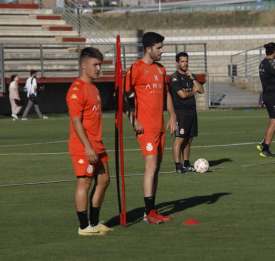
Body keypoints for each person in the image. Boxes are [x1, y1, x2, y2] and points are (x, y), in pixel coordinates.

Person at [123, 32, 178, 224]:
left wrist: (173, 116)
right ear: (148, 49)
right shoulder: (135, 69)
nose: (162, 51)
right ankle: (148, 214)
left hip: (160, 126)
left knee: (157, 169)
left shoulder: (161, 70)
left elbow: (167, 95)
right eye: (159, 48)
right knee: (151, 167)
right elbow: (121, 96)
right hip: (145, 127)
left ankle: (152, 210)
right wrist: (132, 118)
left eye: (162, 47)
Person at [66, 47, 113, 236]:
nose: (99, 68)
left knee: (104, 180)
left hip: (97, 144)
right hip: (83, 147)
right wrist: (87, 147)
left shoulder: (93, 87)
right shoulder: (76, 90)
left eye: (100, 65)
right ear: (83, 65)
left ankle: (94, 222)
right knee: (84, 183)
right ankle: (83, 226)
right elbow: (76, 122)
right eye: (95, 64)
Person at [169, 52, 205, 173]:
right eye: (182, 61)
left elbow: (201, 90)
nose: (185, 64)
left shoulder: (191, 76)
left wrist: (193, 79)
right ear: (177, 63)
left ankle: (186, 163)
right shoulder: (174, 77)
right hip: (181, 112)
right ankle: (178, 166)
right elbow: (183, 95)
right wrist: (194, 91)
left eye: (186, 61)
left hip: (192, 112)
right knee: (179, 138)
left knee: (189, 139)